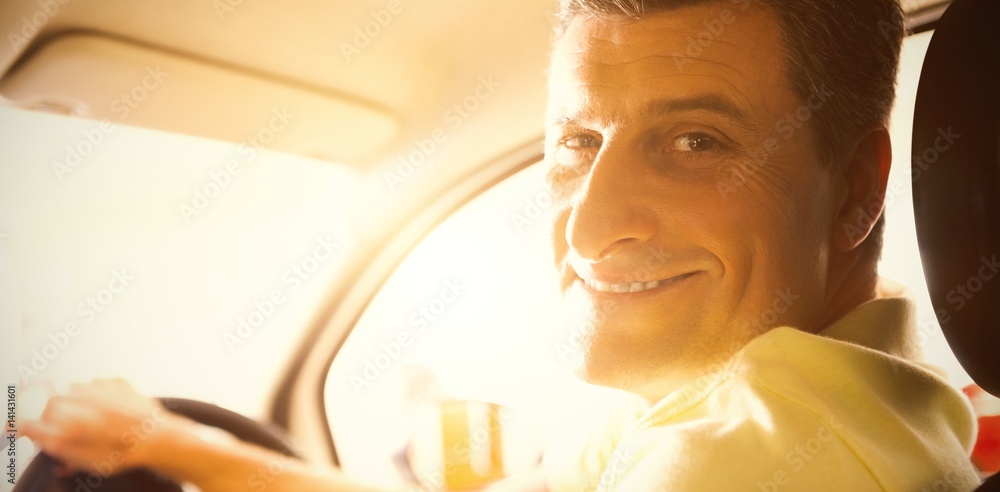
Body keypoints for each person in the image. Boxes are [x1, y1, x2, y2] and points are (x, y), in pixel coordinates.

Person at [21, 0, 981, 490]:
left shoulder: (750, 466)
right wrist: (180, 446)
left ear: (855, 187)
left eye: (696, 142)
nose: (592, 226)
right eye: (576, 143)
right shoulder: (823, 394)